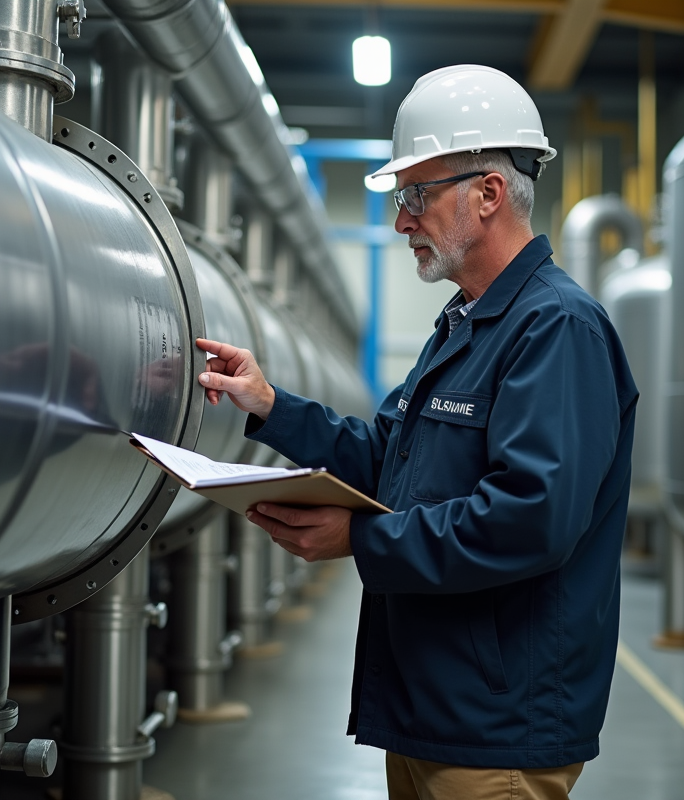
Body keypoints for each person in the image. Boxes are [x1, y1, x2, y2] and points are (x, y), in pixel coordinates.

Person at [195, 64, 637, 800]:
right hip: (435, 708)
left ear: (489, 192)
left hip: (498, 730)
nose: (402, 220)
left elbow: (532, 519)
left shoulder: (556, 328)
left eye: (416, 197)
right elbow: (390, 458)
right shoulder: (467, 322)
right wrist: (270, 406)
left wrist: (359, 539)